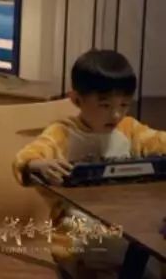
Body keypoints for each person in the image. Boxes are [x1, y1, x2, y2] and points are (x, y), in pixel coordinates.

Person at [13, 49, 166, 277]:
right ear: (76, 100)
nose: (116, 115)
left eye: (124, 105)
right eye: (105, 106)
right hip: (77, 228)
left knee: (148, 247)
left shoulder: (129, 129)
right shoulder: (63, 133)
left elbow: (158, 141)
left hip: (127, 220)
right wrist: (36, 164)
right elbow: (27, 156)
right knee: (132, 255)